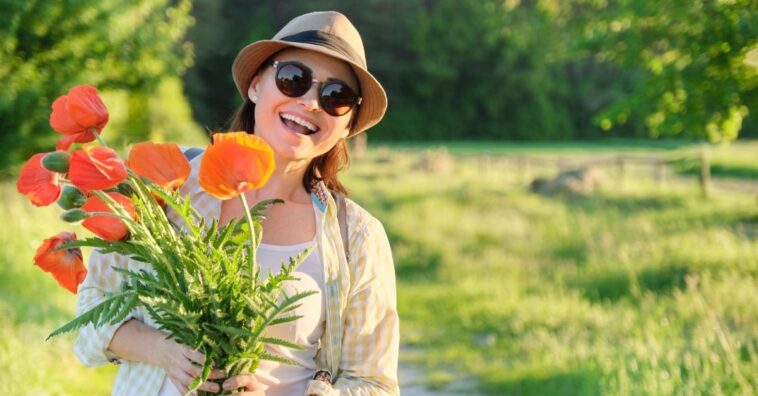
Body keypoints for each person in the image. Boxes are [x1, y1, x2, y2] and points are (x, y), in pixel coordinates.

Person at [74, 11, 399, 396]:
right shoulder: (166, 186)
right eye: (293, 79)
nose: (311, 102)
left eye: (336, 96)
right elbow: (91, 314)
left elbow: (374, 384)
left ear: (348, 124)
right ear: (257, 85)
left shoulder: (355, 237)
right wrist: (163, 351)